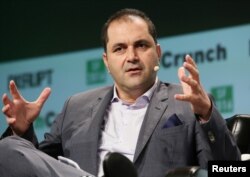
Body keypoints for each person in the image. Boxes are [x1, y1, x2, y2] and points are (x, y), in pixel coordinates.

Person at [0, 8, 240, 177]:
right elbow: (40, 167)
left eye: (141, 45)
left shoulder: (186, 103)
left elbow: (229, 168)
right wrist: (21, 131)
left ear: (158, 52)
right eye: (119, 49)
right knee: (8, 147)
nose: (131, 57)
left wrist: (207, 113)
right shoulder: (76, 106)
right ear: (106, 61)